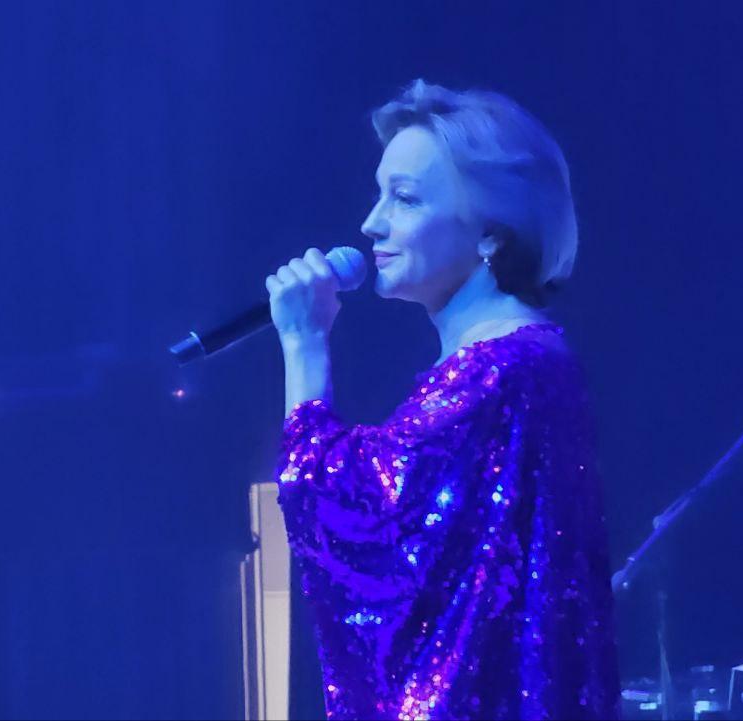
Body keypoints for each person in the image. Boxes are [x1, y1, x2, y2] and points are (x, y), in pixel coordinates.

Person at [265, 80, 619, 720]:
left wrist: (304, 343)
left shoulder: (503, 370)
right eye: (380, 194)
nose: (372, 223)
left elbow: (352, 511)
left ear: (491, 233)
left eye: (404, 199)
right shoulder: (519, 362)